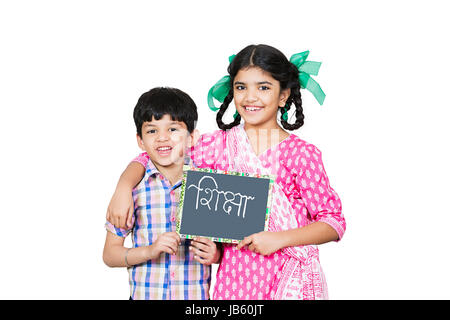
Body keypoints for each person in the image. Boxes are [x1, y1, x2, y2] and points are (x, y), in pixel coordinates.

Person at [106, 44, 346, 300]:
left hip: (288, 279)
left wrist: (279, 239)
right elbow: (159, 154)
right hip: (234, 283)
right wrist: (123, 186)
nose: (250, 97)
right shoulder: (216, 146)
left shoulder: (302, 154)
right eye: (241, 87)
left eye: (263, 87)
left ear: (284, 95)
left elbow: (333, 222)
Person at [103, 87, 220, 300]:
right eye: (152, 131)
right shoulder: (134, 191)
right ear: (140, 140)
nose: (162, 138)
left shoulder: (210, 185)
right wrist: (149, 251)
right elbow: (110, 254)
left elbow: (230, 249)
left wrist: (216, 254)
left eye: (173, 129)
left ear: (192, 137)